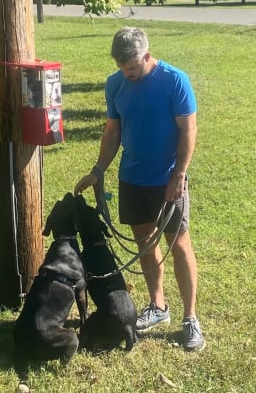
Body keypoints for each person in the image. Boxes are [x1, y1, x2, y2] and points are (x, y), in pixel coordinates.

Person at [74, 26, 205, 352]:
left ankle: (190, 318)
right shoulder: (115, 84)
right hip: (132, 179)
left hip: (168, 180)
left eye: (133, 68)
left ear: (146, 56)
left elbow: (188, 129)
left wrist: (180, 174)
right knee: (145, 244)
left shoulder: (175, 80)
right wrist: (98, 169)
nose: (128, 75)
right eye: (123, 69)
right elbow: (113, 131)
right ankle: (158, 307)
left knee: (179, 245)